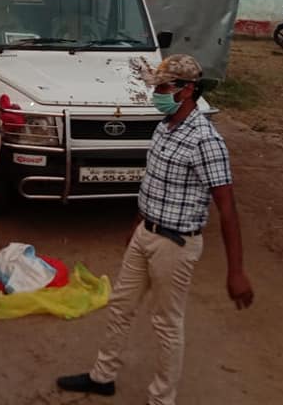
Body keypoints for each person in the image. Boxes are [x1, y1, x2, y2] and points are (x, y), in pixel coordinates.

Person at [56, 55, 254, 404]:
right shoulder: (164, 126)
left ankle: (161, 399)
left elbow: (227, 207)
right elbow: (153, 182)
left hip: (175, 245)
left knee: (166, 324)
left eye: (163, 87)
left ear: (187, 90)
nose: (156, 93)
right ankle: (103, 376)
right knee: (120, 306)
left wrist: (236, 271)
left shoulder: (206, 140)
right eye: (156, 86)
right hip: (146, 233)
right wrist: (137, 223)